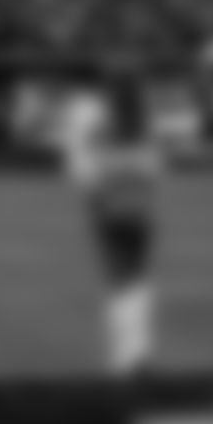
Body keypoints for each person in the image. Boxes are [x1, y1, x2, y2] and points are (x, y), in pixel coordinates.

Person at [56, 68, 165, 376]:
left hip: (111, 206)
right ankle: (139, 351)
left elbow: (89, 173)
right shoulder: (144, 127)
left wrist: (94, 196)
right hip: (140, 208)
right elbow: (154, 170)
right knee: (137, 278)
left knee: (118, 279)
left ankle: (124, 356)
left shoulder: (103, 128)